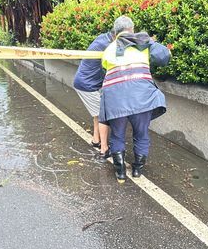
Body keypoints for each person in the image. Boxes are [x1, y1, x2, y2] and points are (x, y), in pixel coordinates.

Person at [99, 16, 171, 183]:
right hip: (141, 98)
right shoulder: (143, 45)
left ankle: (121, 173)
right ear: (132, 29)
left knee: (117, 135)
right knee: (141, 133)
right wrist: (151, 42)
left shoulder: (108, 49)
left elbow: (105, 70)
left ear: (114, 33)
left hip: (116, 100)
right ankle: (137, 170)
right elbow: (163, 57)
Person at [73, 31, 113, 160]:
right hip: (87, 85)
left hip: (85, 83)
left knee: (97, 113)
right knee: (104, 116)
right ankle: (104, 149)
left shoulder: (103, 37)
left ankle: (96, 140)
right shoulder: (107, 45)